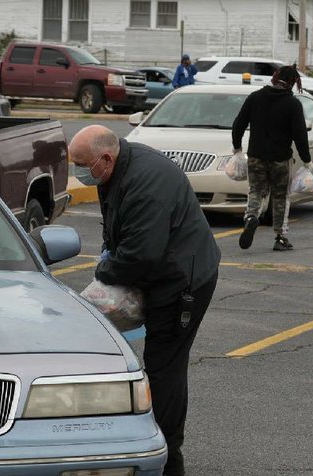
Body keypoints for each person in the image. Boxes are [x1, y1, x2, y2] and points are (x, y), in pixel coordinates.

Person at [68, 125, 221, 476]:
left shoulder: (146, 185)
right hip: (165, 271)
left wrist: (105, 270)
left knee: (164, 367)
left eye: (81, 164)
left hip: (183, 282)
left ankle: (168, 456)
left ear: (105, 158)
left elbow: (141, 255)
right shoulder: (116, 170)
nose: (77, 172)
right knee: (155, 364)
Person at [232, 64, 312, 251]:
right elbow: (300, 135)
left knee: (256, 191)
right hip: (280, 159)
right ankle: (280, 236)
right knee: (280, 196)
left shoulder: (255, 97)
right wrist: (306, 160)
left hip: (256, 156)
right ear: (293, 83)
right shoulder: (292, 104)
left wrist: (237, 148)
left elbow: (238, 124)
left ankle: (251, 217)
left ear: (275, 77)